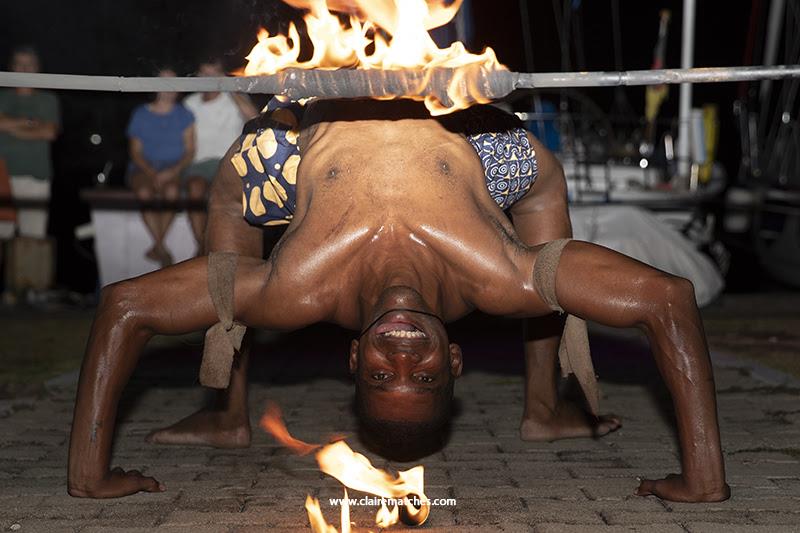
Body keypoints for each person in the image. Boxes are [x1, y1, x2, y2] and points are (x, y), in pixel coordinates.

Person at [68, 97, 729, 503]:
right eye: (424, 373)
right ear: (456, 360)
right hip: (464, 135)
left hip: (311, 141)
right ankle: (541, 407)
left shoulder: (296, 287)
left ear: (355, 354)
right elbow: (667, 299)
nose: (403, 352)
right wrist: (704, 477)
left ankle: (227, 413)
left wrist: (88, 476)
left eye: (383, 373)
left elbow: (125, 306)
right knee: (541, 181)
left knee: (229, 191)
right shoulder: (502, 278)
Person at [183, 58, 259, 251]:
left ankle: (217, 248)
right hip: (199, 165)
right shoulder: (189, 103)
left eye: (213, 73)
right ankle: (201, 246)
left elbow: (255, 119)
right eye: (204, 74)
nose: (208, 78)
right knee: (194, 187)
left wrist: (231, 87)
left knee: (221, 195)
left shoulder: (233, 98)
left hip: (229, 163)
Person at [126, 68, 195, 267]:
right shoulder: (140, 114)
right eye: (164, 82)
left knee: (172, 191)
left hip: (173, 168)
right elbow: (135, 152)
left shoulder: (185, 115)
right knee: (144, 192)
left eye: (173, 82)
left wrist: (172, 171)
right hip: (143, 168)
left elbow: (190, 150)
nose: (168, 88)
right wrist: (152, 172)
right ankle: (161, 246)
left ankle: (157, 245)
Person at [0, 45, 60, 239]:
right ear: (11, 67)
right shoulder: (2, 96)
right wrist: (30, 123)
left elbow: (49, 132)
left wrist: (10, 126)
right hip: (2, 176)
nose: (24, 69)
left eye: (29, 65)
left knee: (32, 241)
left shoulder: (48, 100)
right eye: (20, 64)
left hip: (36, 178)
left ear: (38, 68)